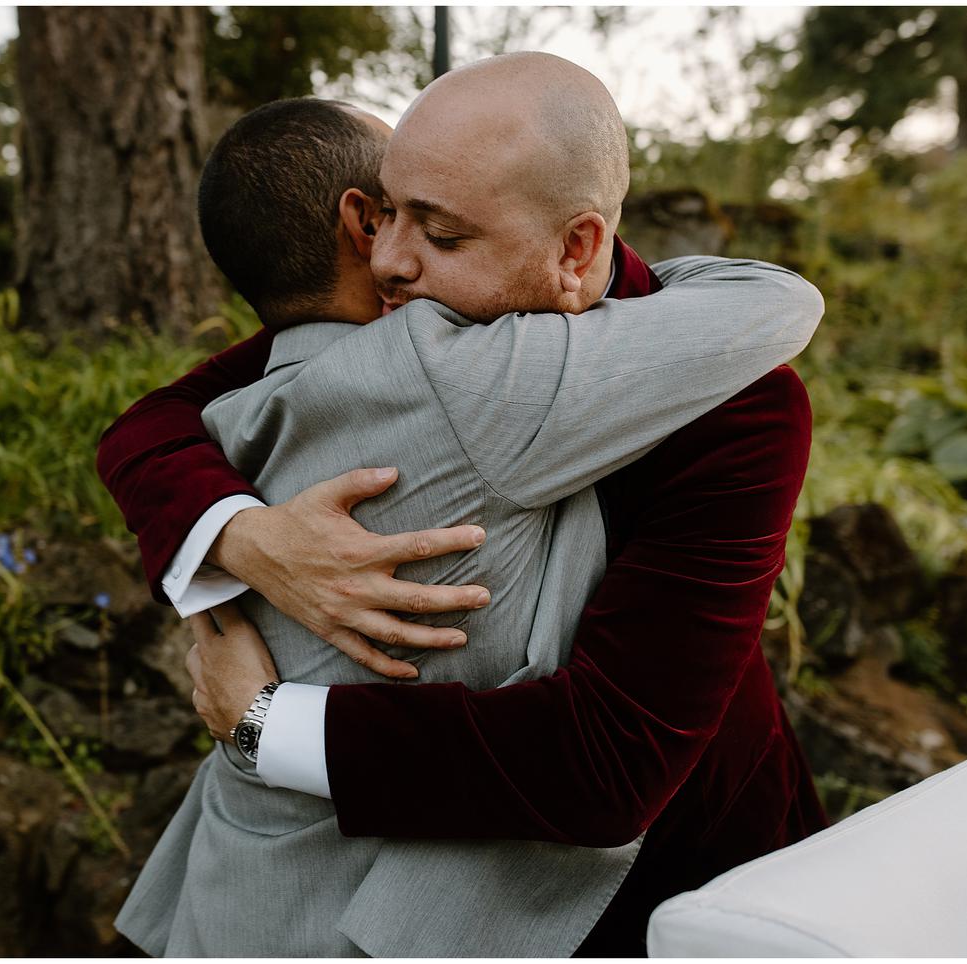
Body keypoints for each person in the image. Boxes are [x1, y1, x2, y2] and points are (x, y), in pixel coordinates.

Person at [101, 53, 829, 957]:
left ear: (575, 249)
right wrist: (245, 537)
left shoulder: (739, 404)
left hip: (664, 882)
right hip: (391, 881)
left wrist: (263, 723)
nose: (390, 263)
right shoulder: (408, 322)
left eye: (441, 235)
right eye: (388, 214)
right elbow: (148, 426)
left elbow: (607, 764)